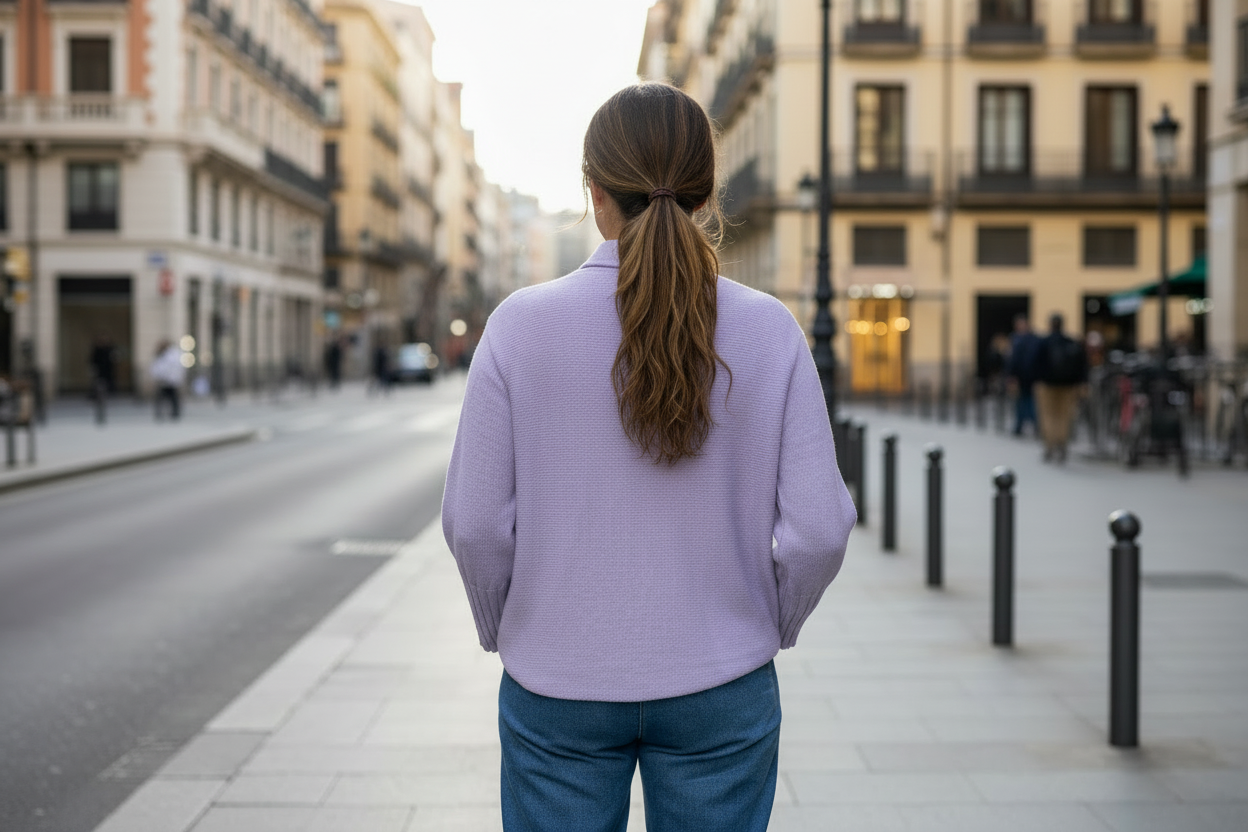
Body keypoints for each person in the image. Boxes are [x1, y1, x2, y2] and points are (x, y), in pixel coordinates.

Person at [442, 84, 855, 832]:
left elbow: (473, 523)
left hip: (557, 682)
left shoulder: (517, 327)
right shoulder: (769, 331)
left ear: (594, 194)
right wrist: (769, 622)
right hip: (721, 680)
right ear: (705, 193)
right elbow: (821, 528)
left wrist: (511, 626)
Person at [1033, 312, 1088, 462]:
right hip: (1068, 386)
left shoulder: (1043, 342)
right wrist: (1081, 383)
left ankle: (1050, 446)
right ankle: (1061, 444)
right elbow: (1082, 365)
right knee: (1064, 415)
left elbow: (1035, 364)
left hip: (1047, 385)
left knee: (1048, 415)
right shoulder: (1071, 342)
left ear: (1050, 324)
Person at [1005, 314, 1040, 437]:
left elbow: (1013, 359)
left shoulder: (1028, 340)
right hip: (1021, 376)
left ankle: (1033, 425)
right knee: (1021, 402)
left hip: (1029, 376)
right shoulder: (1017, 339)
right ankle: (1021, 425)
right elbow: (1011, 359)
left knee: (1029, 402)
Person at [149, 340, 186, 421]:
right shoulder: (162, 355)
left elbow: (170, 368)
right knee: (164, 397)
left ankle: (174, 413)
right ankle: (162, 413)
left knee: (171, 397)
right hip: (165, 380)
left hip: (170, 380)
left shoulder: (172, 355)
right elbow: (156, 367)